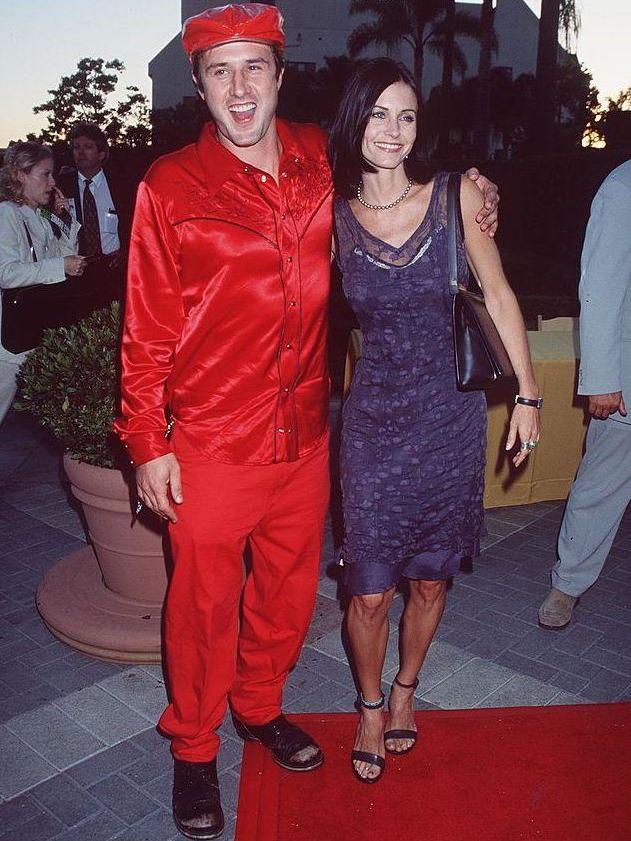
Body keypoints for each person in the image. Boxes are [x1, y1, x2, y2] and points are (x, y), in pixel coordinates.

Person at [114, 6, 500, 838]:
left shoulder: (321, 160)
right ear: (200, 85)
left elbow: (403, 174)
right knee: (202, 607)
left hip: (307, 434)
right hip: (213, 441)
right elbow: (144, 329)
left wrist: (476, 189)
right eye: (220, 70)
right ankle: (192, 748)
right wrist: (148, 443)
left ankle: (258, 707)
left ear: (281, 76)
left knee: (285, 600)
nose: (240, 87)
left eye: (255, 67)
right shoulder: (169, 186)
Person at [328, 58, 541, 783]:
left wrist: (528, 393)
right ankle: (364, 703)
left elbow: (501, 295)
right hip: (372, 424)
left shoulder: (454, 197)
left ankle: (405, 689)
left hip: (446, 418)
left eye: (407, 115)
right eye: (380, 114)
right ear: (354, 120)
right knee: (367, 586)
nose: (393, 130)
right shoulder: (328, 218)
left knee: (427, 580)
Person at [538, 159, 631, 630]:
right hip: (627, 380)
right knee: (600, 488)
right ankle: (567, 584)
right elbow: (600, 287)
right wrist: (602, 379)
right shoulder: (623, 187)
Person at [0, 142, 85, 426]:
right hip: (8, 338)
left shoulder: (41, 214)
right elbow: (7, 273)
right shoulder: (7, 214)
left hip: (31, 331)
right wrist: (61, 266)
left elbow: (63, 260)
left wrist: (65, 220)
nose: (52, 183)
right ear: (20, 175)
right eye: (45, 175)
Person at [57, 122, 133, 310]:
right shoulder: (61, 186)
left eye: (88, 147)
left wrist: (127, 252)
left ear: (101, 153)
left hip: (114, 268)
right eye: (76, 147)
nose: (80, 152)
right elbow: (46, 218)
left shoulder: (122, 184)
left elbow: (137, 224)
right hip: (77, 270)